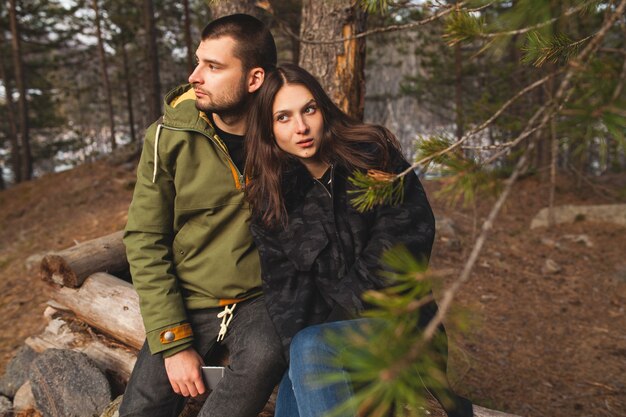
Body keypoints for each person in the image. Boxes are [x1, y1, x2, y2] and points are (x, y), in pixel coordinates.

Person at [244, 64, 473, 417]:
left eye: (308, 110)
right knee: (299, 366)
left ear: (324, 109)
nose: (301, 127)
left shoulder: (372, 156)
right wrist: (305, 352)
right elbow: (286, 295)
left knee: (309, 348)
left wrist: (329, 326)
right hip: (324, 343)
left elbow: (403, 245)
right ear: (269, 130)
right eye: (283, 118)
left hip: (401, 325)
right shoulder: (273, 201)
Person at [119, 14, 286, 417]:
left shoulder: (286, 132)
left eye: (213, 67)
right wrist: (174, 342)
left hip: (260, 299)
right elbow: (144, 238)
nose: (195, 76)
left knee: (266, 353)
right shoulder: (169, 136)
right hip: (188, 296)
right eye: (198, 62)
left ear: (254, 78)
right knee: (140, 409)